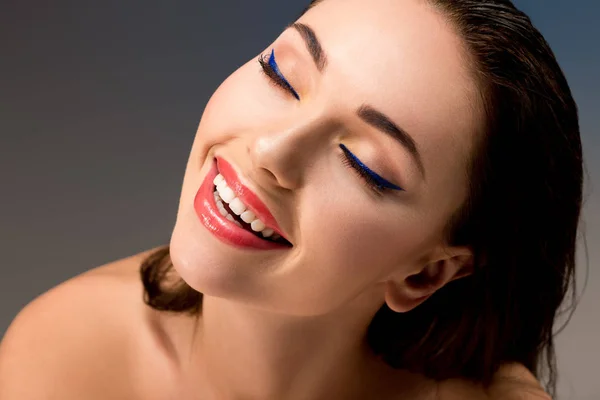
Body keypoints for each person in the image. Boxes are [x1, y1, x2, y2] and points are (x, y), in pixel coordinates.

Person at [0, 0, 583, 398]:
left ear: (427, 273)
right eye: (282, 73)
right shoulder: (66, 359)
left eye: (363, 164)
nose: (273, 150)